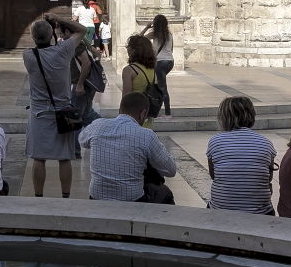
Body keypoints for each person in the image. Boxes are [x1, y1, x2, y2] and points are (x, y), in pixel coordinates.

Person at [23, 16, 83, 199]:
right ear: (52, 36)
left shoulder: (28, 56)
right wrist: (57, 18)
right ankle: (66, 195)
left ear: (33, 37)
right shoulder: (63, 50)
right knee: (65, 157)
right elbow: (82, 30)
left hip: (39, 113)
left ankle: (38, 195)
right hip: (63, 112)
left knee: (38, 158)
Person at [80, 91, 177, 203]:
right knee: (165, 193)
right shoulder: (147, 135)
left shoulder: (97, 125)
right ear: (143, 114)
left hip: (97, 197)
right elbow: (171, 170)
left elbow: (82, 141)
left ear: (120, 110)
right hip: (132, 200)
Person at [204, 96, 276, 215]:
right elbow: (268, 178)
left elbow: (213, 175)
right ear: (252, 115)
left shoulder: (215, 141)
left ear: (223, 118)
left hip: (221, 211)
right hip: (260, 213)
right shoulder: (266, 143)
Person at [121, 32, 160, 123]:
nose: (127, 48)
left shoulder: (129, 70)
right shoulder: (153, 69)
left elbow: (126, 96)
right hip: (146, 114)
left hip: (132, 115)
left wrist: (121, 114)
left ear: (134, 50)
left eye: (128, 46)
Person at [149, 14, 175, 116]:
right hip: (170, 62)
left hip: (160, 62)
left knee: (162, 88)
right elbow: (171, 49)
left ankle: (167, 113)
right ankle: (158, 110)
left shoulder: (154, 34)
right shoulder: (169, 34)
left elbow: (139, 37)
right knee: (160, 86)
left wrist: (147, 27)